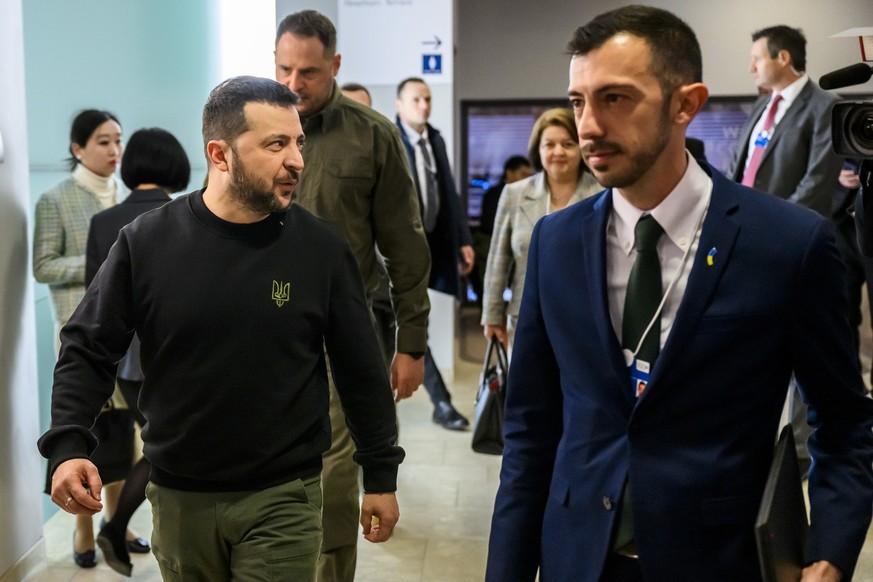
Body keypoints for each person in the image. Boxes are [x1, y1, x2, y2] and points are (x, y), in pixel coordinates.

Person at [486, 6, 873, 581]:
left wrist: (830, 554)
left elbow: (843, 422)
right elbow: (530, 435)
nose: (588, 124)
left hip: (716, 559)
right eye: (577, 101)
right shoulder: (555, 242)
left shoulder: (786, 244)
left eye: (615, 98)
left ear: (685, 104)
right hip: (578, 557)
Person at [37, 76, 404, 581]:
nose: (297, 159)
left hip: (284, 495)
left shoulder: (320, 250)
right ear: (220, 154)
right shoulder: (147, 243)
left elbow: (361, 367)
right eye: (276, 144)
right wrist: (67, 446)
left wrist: (381, 472)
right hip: (180, 497)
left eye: (299, 142)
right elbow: (87, 346)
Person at [274, 11, 430, 581]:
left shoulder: (372, 134)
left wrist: (411, 342)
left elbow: (406, 249)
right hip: (259, 332)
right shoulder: (250, 129)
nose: (294, 83)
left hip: (343, 335)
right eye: (285, 67)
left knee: (335, 474)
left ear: (335, 66)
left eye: (309, 72)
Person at [725, 25, 844, 473]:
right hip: (745, 239)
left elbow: (817, 182)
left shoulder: (823, 107)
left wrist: (774, 229)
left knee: (799, 346)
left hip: (792, 243)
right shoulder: (762, 107)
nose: (751, 66)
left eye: (757, 57)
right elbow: (740, 173)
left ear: (784, 58)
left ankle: (798, 447)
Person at [84, 127, 191, 575]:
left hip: (126, 363)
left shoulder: (103, 222)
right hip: (174, 356)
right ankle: (125, 526)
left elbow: (95, 305)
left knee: (157, 443)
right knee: (167, 447)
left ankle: (119, 526)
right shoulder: (184, 217)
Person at [32, 108, 126, 569]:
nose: (114, 151)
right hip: (80, 338)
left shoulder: (124, 196)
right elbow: (43, 265)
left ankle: (116, 522)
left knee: (123, 438)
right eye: (104, 142)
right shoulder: (55, 199)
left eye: (118, 141)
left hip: (126, 340)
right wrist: (102, 263)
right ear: (78, 149)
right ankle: (83, 532)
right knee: (87, 435)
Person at [481, 108, 601, 352]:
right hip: (526, 320)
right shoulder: (514, 194)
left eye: (568, 144)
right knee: (528, 389)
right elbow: (498, 261)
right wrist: (492, 316)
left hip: (587, 322)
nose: (558, 152)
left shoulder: (603, 194)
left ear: (581, 148)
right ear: (538, 149)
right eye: (549, 144)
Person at [395, 76, 473, 431]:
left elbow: (450, 194)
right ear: (400, 105)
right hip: (394, 254)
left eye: (427, 99)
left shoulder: (435, 138)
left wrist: (463, 240)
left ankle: (438, 402)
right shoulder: (389, 139)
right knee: (411, 326)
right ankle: (441, 402)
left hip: (430, 246)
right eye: (416, 99)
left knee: (411, 324)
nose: (423, 105)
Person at [472, 155, 534, 304]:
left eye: (529, 176)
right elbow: (490, 225)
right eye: (523, 174)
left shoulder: (530, 195)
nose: (527, 180)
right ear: (509, 173)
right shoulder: (496, 194)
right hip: (492, 245)